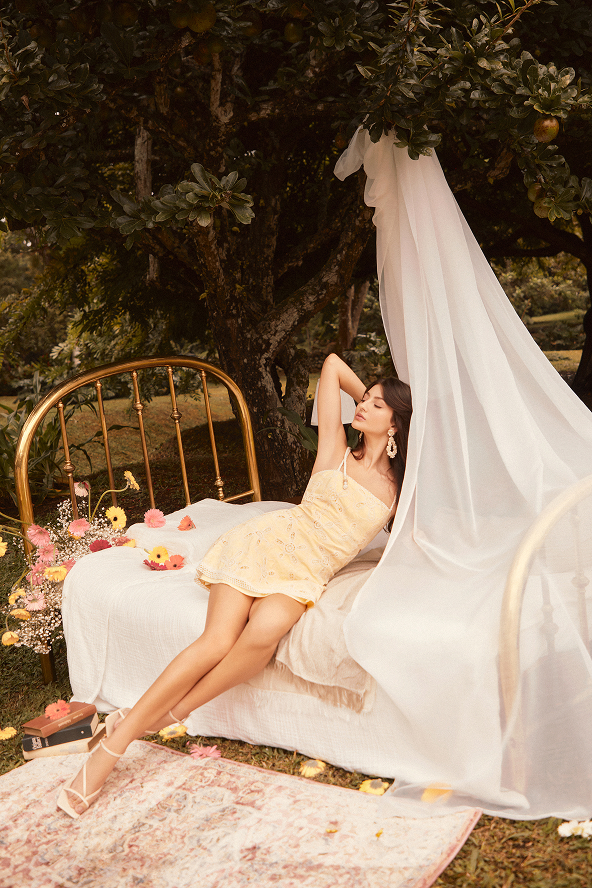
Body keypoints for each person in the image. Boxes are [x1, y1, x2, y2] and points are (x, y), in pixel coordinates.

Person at [57, 352, 412, 818]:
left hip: (307, 571)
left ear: (398, 426)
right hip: (265, 543)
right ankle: (113, 747)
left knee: (263, 635)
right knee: (217, 641)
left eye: (377, 405)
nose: (362, 405)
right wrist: (371, 395)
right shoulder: (336, 449)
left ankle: (166, 715)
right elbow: (330, 365)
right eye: (364, 399)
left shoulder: (400, 490)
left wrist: (395, 405)